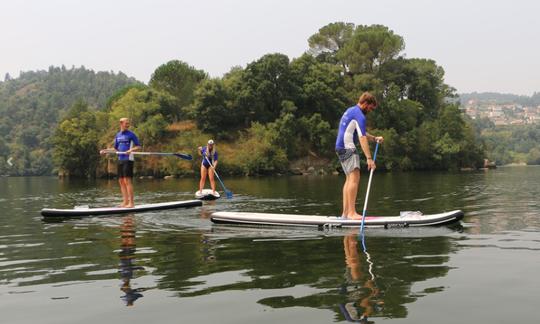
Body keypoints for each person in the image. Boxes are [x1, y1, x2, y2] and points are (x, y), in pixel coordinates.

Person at [335, 92, 384, 219]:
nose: (371, 111)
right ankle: (352, 213)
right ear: (365, 103)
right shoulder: (360, 116)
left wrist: (374, 138)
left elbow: (360, 131)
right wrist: (369, 158)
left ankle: (345, 214)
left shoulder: (350, 110)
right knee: (354, 179)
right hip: (348, 148)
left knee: (348, 179)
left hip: (340, 147)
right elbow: (362, 137)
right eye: (370, 108)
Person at [100, 118, 141, 208]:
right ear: (121, 123)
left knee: (127, 180)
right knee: (121, 181)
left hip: (128, 159)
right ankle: (125, 202)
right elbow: (115, 149)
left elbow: (138, 146)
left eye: (128, 123)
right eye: (126, 123)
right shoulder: (118, 135)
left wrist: (131, 149)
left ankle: (131, 203)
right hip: (120, 159)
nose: (128, 125)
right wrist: (106, 150)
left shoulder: (131, 134)